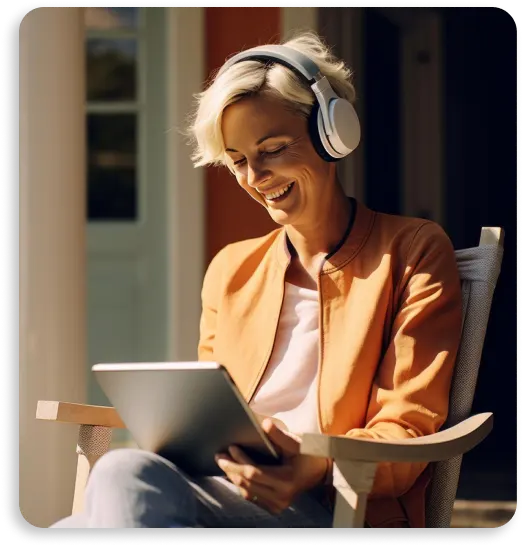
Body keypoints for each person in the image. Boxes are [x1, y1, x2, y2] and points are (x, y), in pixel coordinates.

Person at [52, 31, 462, 529]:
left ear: (333, 134)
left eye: (273, 149)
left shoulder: (412, 251)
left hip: (335, 505)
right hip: (217, 492)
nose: (254, 176)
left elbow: (408, 428)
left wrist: (312, 465)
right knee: (108, 494)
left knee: (115, 480)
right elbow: (207, 416)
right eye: (238, 160)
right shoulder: (231, 268)